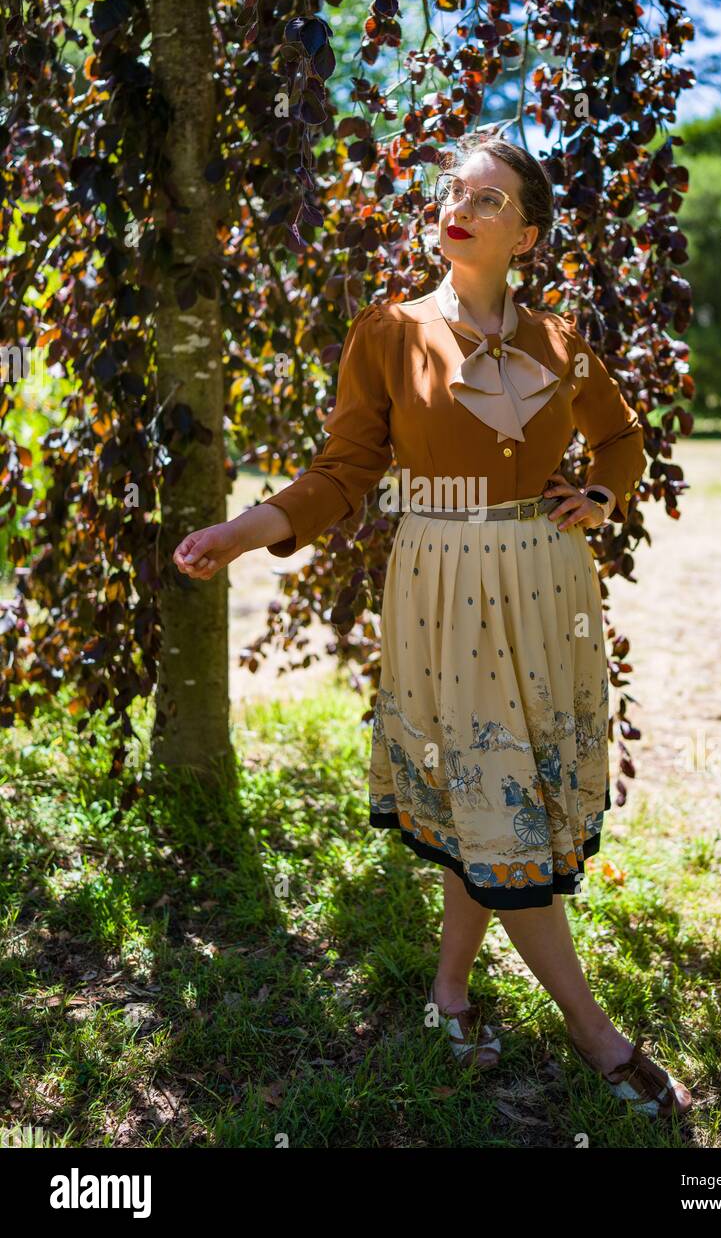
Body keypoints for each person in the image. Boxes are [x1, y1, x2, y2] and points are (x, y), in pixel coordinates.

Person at [173, 132, 693, 1120]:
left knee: (495, 812)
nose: (460, 203)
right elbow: (341, 474)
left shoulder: (562, 341)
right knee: (497, 811)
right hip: (442, 589)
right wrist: (247, 529)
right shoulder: (387, 332)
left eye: (488, 197)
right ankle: (594, 1030)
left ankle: (447, 994)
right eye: (455, 188)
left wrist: (599, 493)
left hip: (546, 588)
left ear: (525, 235)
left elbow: (622, 437)